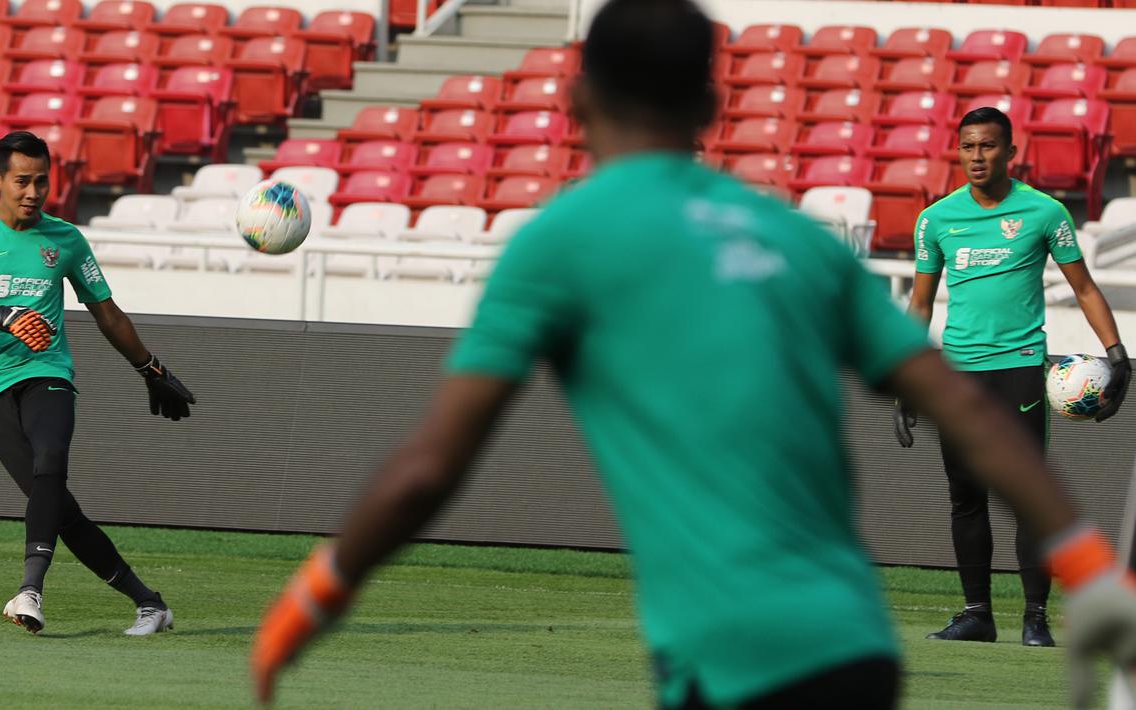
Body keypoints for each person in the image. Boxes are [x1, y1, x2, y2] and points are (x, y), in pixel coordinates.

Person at [251, 2, 1136, 708]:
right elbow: (964, 411)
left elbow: (430, 466)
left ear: (577, 104)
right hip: (856, 645)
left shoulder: (559, 243)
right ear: (711, 111)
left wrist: (313, 599)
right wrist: (1092, 572)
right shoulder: (795, 241)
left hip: (729, 654)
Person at [0, 130, 196, 636]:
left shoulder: (65, 239)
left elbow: (107, 313)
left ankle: (31, 590)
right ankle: (150, 603)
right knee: (58, 507)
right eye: (22, 181)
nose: (33, 192)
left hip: (47, 372)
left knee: (51, 461)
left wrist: (151, 369)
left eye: (41, 182)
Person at [896, 107, 1131, 647]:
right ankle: (976, 614)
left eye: (988, 146)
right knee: (966, 496)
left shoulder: (1045, 212)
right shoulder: (936, 219)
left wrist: (1116, 354)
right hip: (957, 375)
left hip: (1021, 369)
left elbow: (1085, 288)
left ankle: (1035, 619)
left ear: (1010, 152)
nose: (977, 156)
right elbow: (921, 302)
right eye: (968, 146)